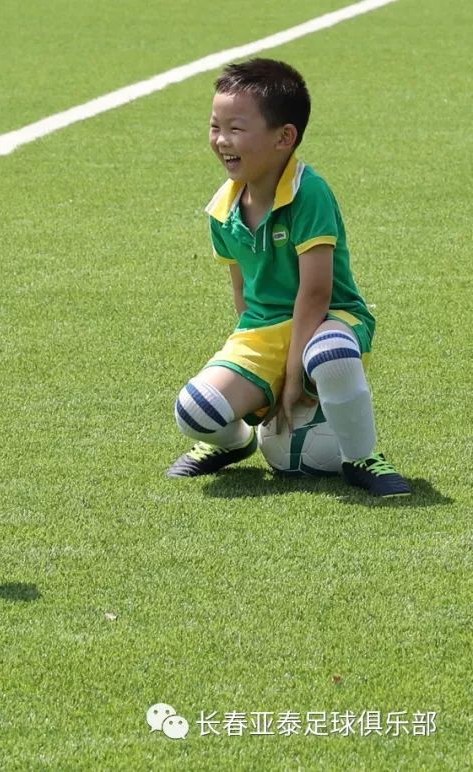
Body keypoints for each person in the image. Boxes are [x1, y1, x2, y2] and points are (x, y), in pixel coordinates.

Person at [166, 58, 411, 497]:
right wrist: (257, 375)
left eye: (236, 129)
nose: (222, 140)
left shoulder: (309, 191)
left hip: (331, 317)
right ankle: (235, 441)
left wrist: (292, 378)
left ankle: (361, 456)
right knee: (194, 411)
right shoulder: (221, 210)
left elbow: (315, 293)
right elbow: (245, 298)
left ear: (284, 137)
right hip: (265, 331)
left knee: (331, 352)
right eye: (214, 126)